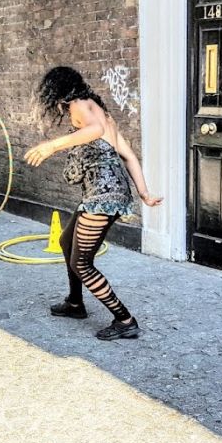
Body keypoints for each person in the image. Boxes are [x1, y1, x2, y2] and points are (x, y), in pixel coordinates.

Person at [24, 66, 161, 341]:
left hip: (104, 194)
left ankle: (125, 320)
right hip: (104, 192)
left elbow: (94, 130)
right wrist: (144, 194)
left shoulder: (79, 105)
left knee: (82, 263)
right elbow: (129, 156)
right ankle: (75, 304)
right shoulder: (97, 107)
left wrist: (52, 146)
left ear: (57, 91)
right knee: (66, 241)